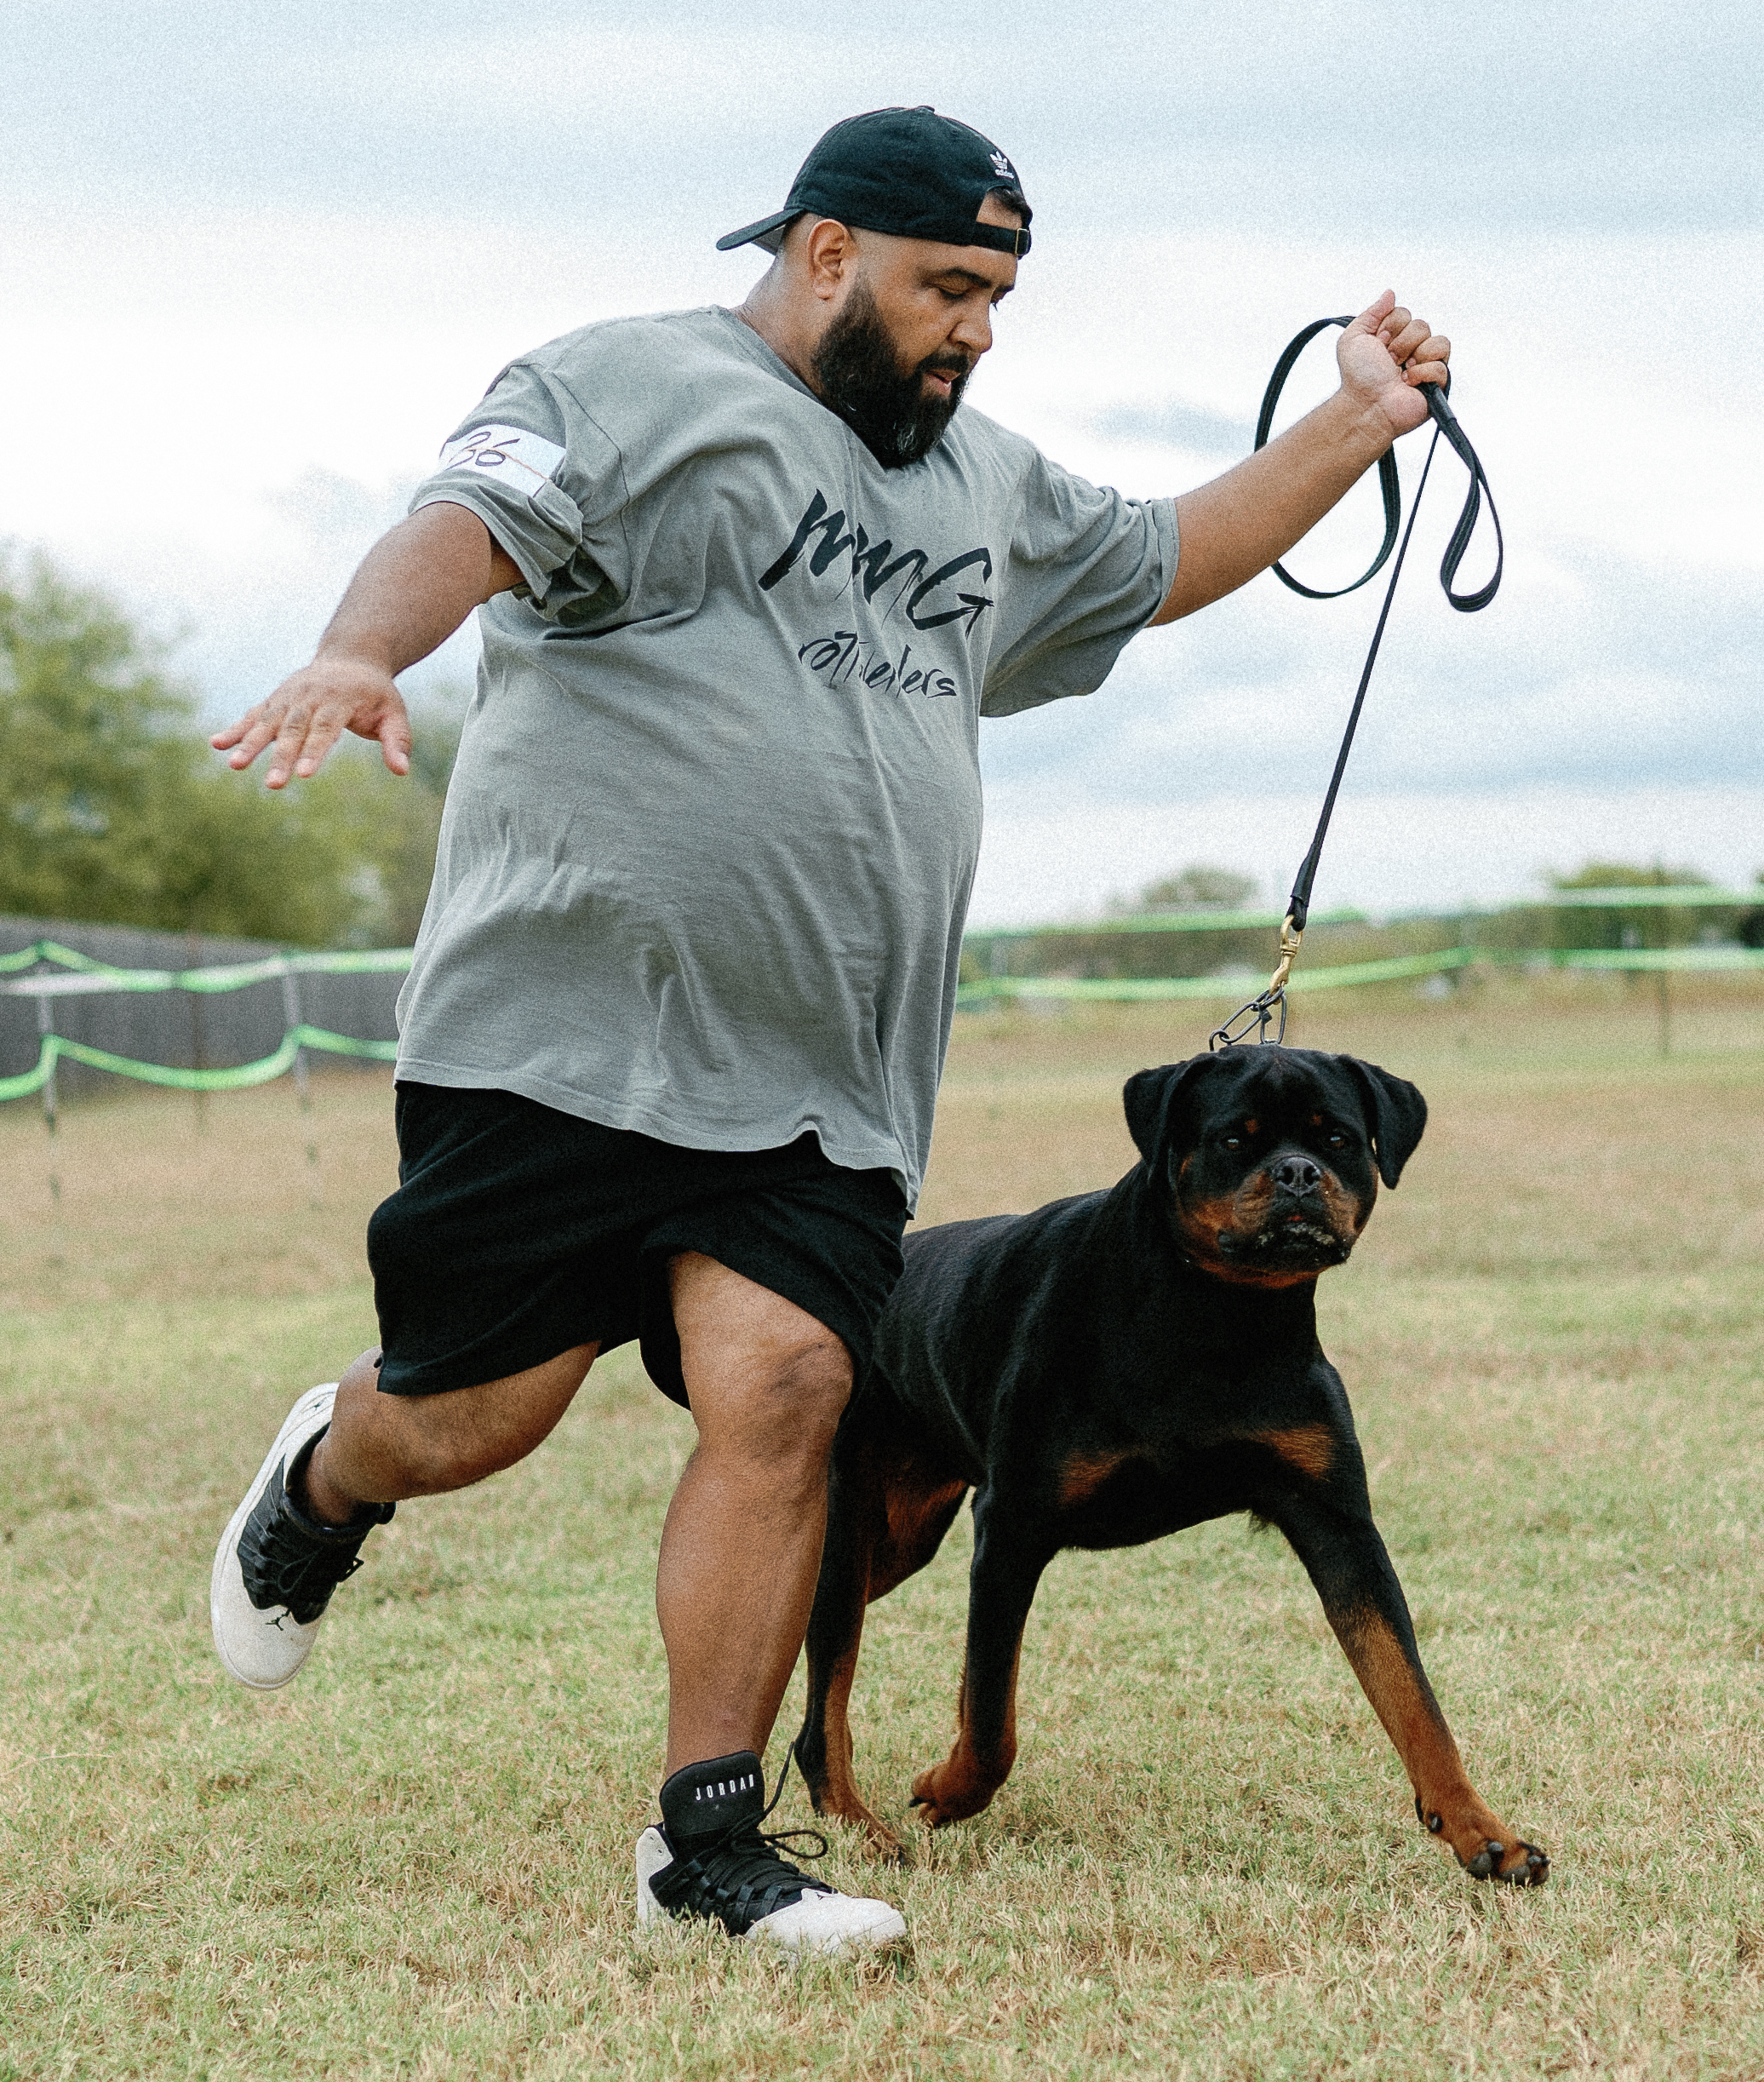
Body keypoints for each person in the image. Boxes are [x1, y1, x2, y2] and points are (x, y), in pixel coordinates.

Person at [202, 106, 1451, 1956]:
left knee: (790, 1390)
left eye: (999, 296)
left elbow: (1167, 554)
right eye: (948, 287)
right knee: (471, 1421)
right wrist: (359, 652)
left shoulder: (984, 484)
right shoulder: (627, 385)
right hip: (564, 1041)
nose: (976, 332)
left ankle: (707, 1850)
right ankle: (330, 1476)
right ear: (825, 253)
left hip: (822, 1079)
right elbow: (457, 524)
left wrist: (1356, 422)